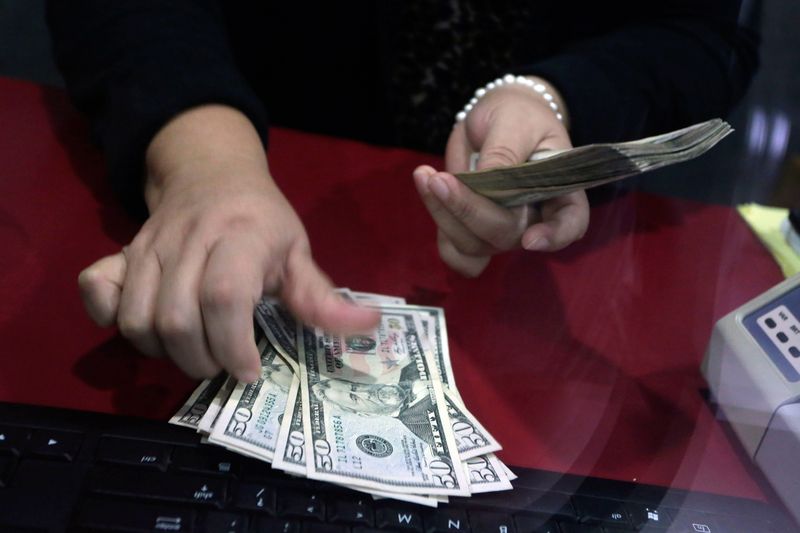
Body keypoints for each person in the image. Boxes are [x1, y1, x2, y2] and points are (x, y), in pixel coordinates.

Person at [46, 1, 758, 383]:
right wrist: (205, 164)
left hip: (546, 288)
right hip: (264, 140)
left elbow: (704, 37)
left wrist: (554, 97)